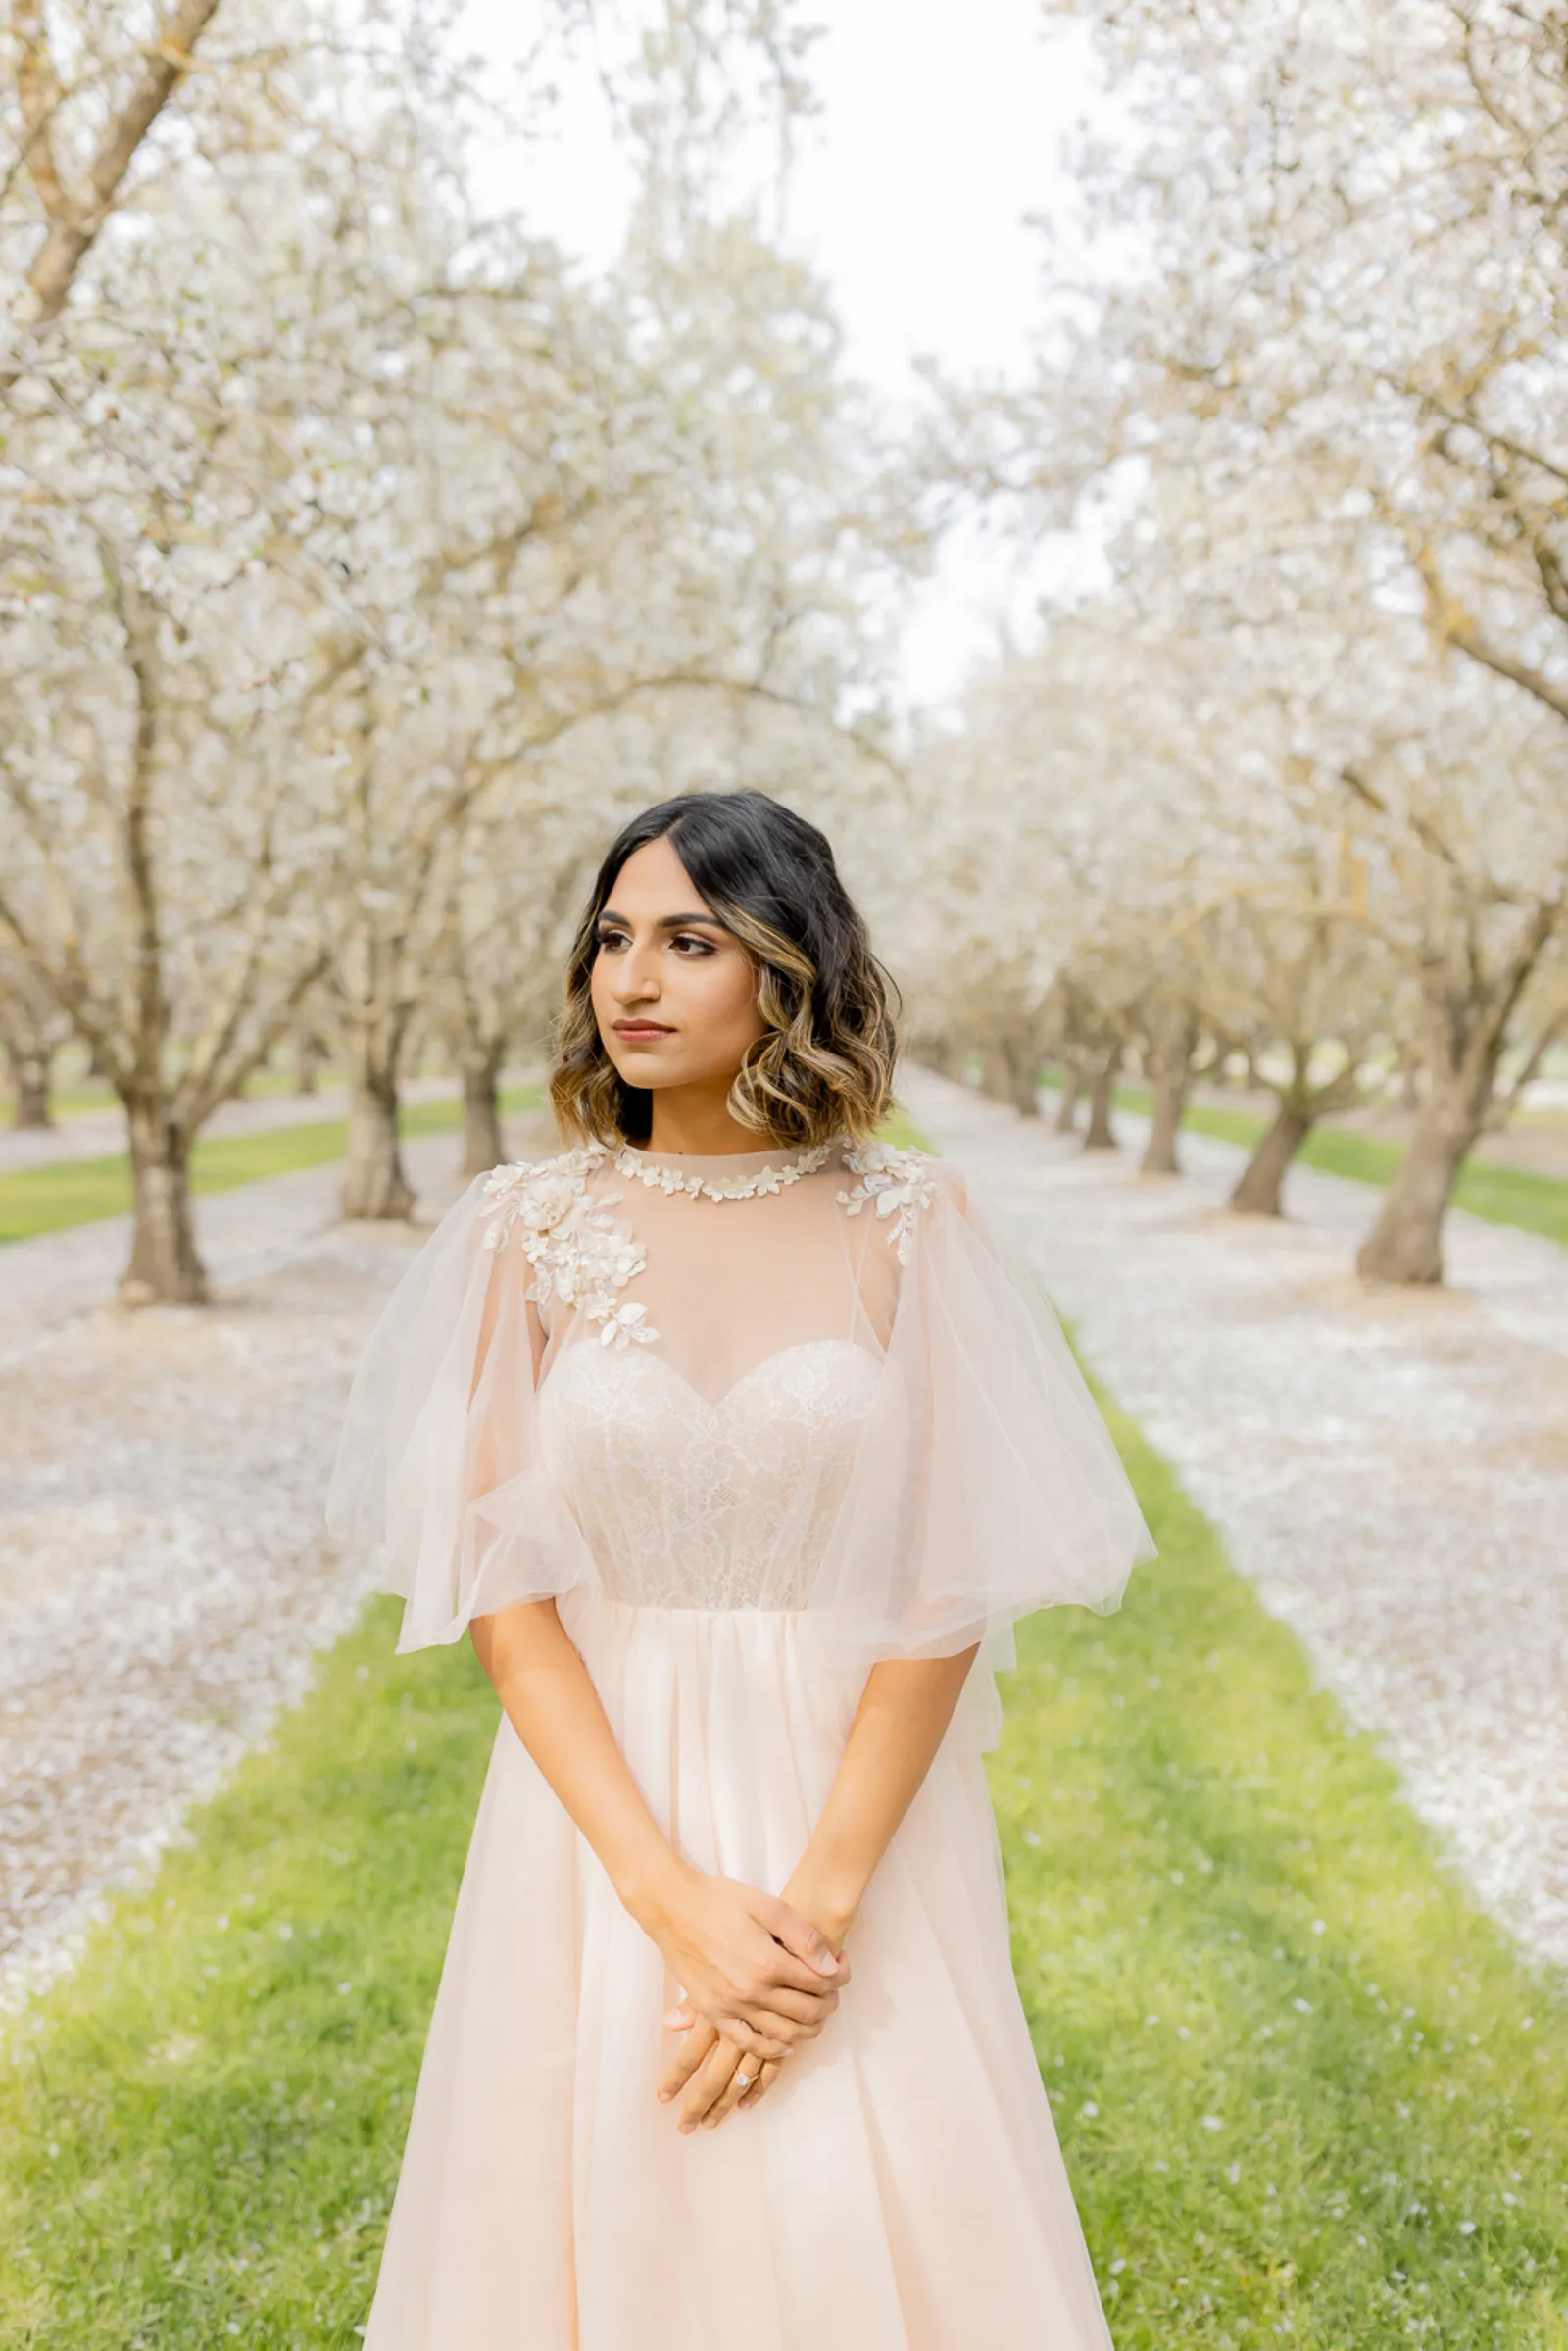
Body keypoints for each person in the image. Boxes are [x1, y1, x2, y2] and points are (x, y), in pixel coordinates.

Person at [327, 789, 1154, 2350]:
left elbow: (942, 1592)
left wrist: (809, 1919)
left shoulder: (912, 1219)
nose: (631, 979)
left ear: (787, 971)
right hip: (597, 1808)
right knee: (604, 2162)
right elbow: (509, 1606)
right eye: (613, 939)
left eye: (690, 941)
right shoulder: (528, 1226)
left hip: (847, 1801)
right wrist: (667, 1898)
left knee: (874, 2177)